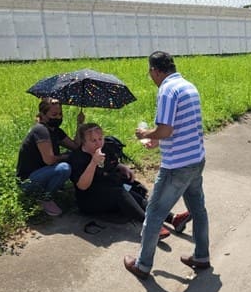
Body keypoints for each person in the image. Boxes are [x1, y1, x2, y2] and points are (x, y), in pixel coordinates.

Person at [124, 50, 209, 280]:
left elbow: (166, 130)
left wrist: (145, 133)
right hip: (196, 159)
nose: (150, 76)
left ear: (156, 70)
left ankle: (142, 265)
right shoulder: (188, 86)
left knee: (153, 213)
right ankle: (202, 256)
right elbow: (179, 128)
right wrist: (156, 138)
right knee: (198, 210)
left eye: (150, 72)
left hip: (176, 166)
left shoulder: (167, 90)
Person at [68, 123, 191, 239]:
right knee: (119, 193)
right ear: (84, 142)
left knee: (136, 196)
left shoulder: (104, 149)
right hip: (90, 200)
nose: (98, 143)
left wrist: (122, 167)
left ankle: (173, 218)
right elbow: (82, 186)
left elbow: (112, 165)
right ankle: (150, 227)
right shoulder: (77, 158)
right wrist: (93, 162)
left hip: (108, 191)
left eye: (100, 138)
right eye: (93, 140)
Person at [16, 98, 83, 216]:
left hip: (43, 173)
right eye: (54, 114)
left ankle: (54, 188)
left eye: (60, 114)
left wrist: (80, 124)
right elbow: (49, 160)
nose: (58, 117)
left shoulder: (56, 131)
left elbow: (76, 146)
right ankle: (45, 198)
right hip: (27, 180)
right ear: (43, 115)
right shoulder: (40, 130)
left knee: (75, 156)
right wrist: (65, 156)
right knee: (64, 168)